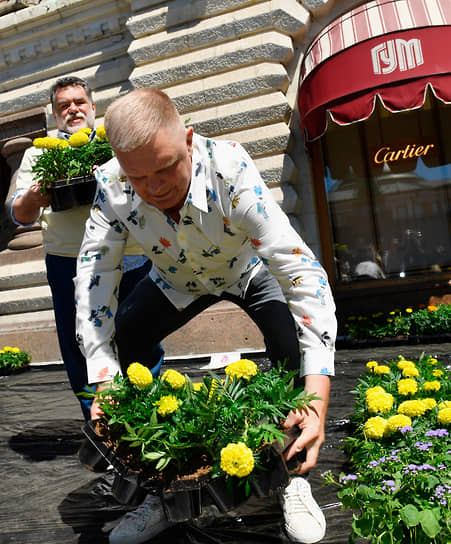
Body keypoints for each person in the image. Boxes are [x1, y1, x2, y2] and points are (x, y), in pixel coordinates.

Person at [74, 88, 337, 544]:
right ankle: (161, 486)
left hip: (245, 270)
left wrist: (316, 399)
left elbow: (298, 270)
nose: (156, 189)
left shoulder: (230, 168)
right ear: (121, 167)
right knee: (129, 335)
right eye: (139, 177)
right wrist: (104, 377)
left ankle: (291, 474)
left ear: (189, 141)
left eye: (166, 167)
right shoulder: (110, 184)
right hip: (174, 281)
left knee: (289, 343)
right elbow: (93, 278)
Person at [11, 77, 163, 421]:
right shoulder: (38, 153)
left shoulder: (116, 141)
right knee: (79, 345)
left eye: (79, 102)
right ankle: (102, 428)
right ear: (54, 114)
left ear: (93, 107)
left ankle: (152, 418)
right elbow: (20, 215)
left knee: (140, 334)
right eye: (64, 105)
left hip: (131, 254)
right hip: (69, 262)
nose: (73, 109)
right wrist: (34, 198)